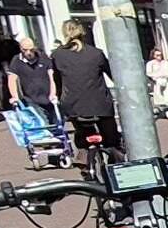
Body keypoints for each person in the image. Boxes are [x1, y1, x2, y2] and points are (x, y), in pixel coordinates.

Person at [50, 21, 119, 161]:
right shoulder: (96, 53)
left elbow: (58, 82)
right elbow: (113, 75)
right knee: (111, 139)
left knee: (82, 133)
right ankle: (115, 160)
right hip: (100, 105)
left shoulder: (57, 55)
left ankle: (84, 157)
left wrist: (59, 97)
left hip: (73, 106)